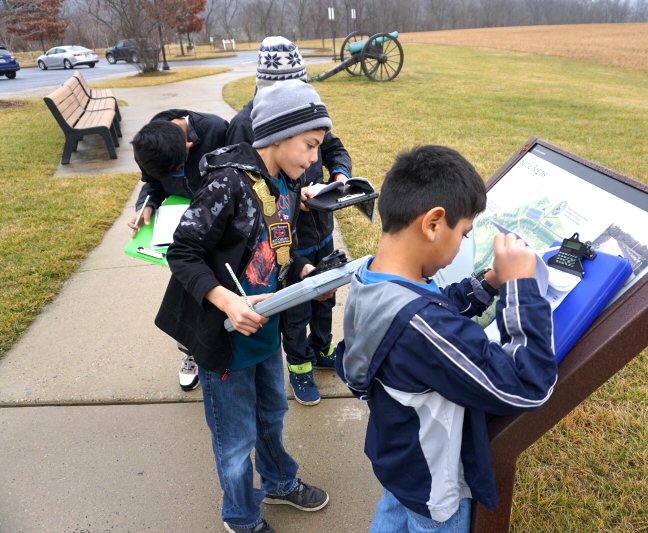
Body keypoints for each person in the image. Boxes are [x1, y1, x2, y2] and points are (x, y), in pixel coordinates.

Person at [335, 145, 559, 532]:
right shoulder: (424, 328)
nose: (461, 246)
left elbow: (430, 304)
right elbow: (527, 385)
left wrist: (487, 283)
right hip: (435, 491)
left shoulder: (371, 278)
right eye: (464, 233)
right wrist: (520, 287)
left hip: (399, 466)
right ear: (434, 223)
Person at [154, 79, 334, 533]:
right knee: (236, 441)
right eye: (310, 146)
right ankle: (241, 515)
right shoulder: (228, 184)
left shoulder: (287, 188)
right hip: (224, 343)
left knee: (272, 414)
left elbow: (279, 256)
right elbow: (183, 252)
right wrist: (225, 300)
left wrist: (309, 280)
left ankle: (278, 481)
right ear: (277, 136)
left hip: (264, 334)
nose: (315, 159)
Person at [226, 36, 353, 406]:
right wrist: (293, 202)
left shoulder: (308, 110)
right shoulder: (243, 125)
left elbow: (334, 147)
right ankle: (299, 368)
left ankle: (321, 349)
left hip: (321, 230)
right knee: (295, 309)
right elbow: (243, 196)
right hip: (284, 242)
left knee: (325, 296)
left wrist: (340, 177)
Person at [129, 109, 229, 392]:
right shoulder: (153, 139)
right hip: (182, 233)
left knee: (216, 292)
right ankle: (191, 353)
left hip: (218, 228)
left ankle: (222, 351)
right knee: (189, 293)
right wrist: (145, 204)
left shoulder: (218, 131)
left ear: (189, 147)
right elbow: (153, 183)